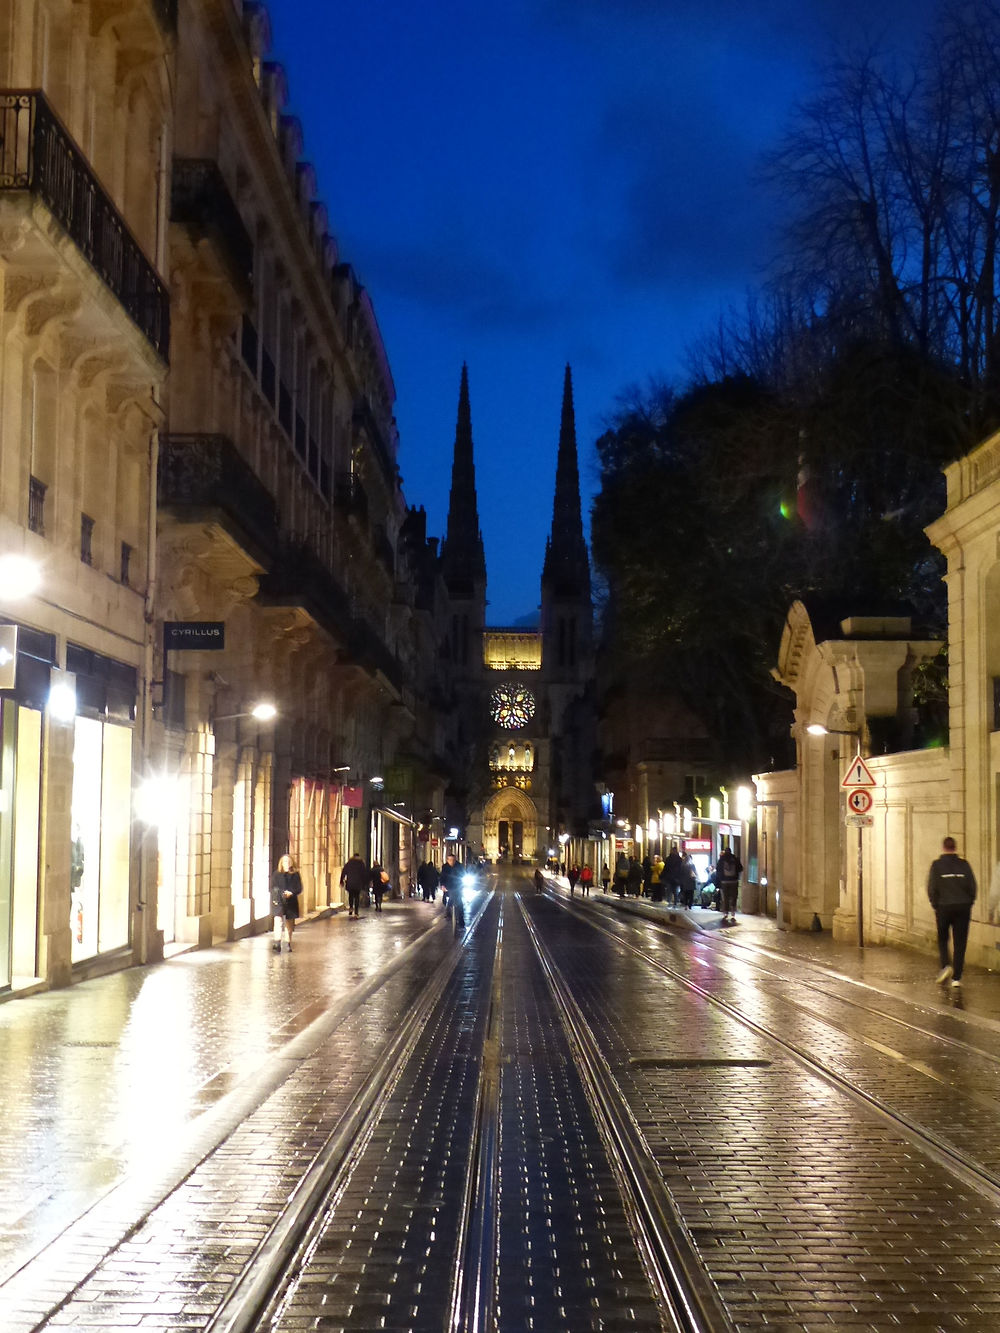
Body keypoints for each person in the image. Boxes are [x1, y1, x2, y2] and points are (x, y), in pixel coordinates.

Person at [928, 836, 977, 987]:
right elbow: (972, 887)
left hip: (944, 907)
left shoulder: (936, 866)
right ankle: (957, 978)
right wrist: (969, 902)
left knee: (943, 939)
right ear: (955, 848)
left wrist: (936, 905)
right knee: (960, 942)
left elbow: (932, 888)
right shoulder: (964, 865)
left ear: (943, 848)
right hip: (963, 907)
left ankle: (945, 965)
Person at [270, 854, 302, 951]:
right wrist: (276, 897)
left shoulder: (295, 874)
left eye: (288, 861)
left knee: (289, 923)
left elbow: (299, 888)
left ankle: (288, 943)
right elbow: (272, 887)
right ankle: (277, 942)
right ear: (281, 863)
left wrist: (291, 892)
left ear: (291, 863)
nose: (286, 863)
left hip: (291, 901)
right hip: (279, 900)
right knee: (278, 921)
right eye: (284, 861)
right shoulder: (276, 874)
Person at [717, 846, 743, 924]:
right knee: (734, 896)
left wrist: (721, 879)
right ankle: (733, 912)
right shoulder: (735, 859)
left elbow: (718, 869)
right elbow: (740, 868)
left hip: (724, 881)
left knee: (726, 897)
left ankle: (725, 912)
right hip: (734, 881)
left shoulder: (722, 859)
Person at [340, 851, 369, 919]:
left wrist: (341, 880)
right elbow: (364, 874)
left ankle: (350, 907)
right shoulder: (361, 864)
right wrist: (365, 884)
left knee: (351, 895)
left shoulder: (349, 863)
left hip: (350, 882)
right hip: (358, 883)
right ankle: (356, 912)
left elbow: (344, 871)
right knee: (356, 897)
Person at [440, 853, 464, 923]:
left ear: (455, 860)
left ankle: (461, 920)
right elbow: (442, 877)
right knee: (447, 899)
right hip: (448, 887)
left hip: (457, 886)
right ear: (447, 860)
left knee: (459, 903)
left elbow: (463, 874)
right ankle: (448, 912)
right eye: (450, 860)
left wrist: (462, 885)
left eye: (453, 860)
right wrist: (442, 885)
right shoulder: (445, 867)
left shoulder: (459, 866)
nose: (451, 861)